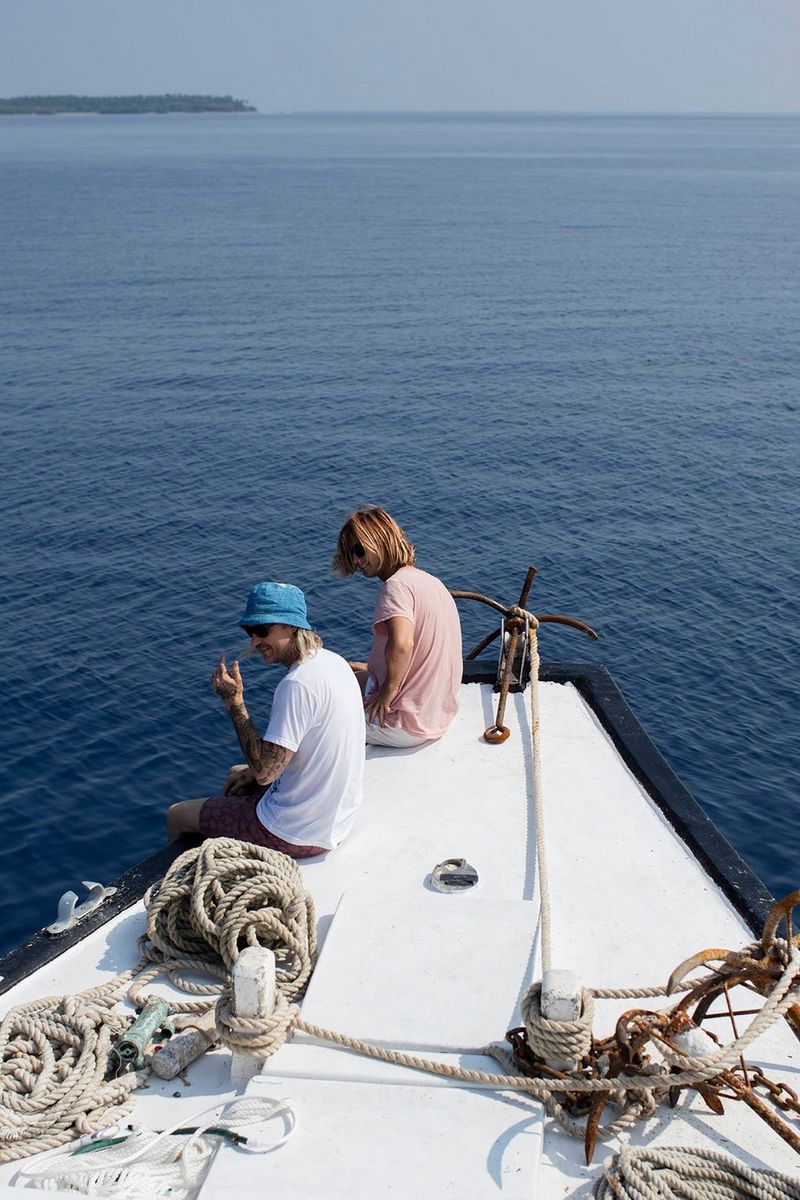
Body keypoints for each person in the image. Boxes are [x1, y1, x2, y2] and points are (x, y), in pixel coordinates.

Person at [166, 581, 364, 858]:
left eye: (262, 631)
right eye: (250, 632)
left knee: (178, 814)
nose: (255, 642)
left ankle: (177, 893)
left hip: (294, 832)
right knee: (239, 774)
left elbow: (266, 771)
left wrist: (234, 703)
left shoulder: (297, 684)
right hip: (335, 821)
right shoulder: (334, 662)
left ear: (292, 626)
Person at [332, 507, 462, 747]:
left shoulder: (395, 587)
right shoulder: (431, 582)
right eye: (351, 556)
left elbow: (402, 645)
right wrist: (374, 668)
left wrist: (388, 691)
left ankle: (260, 776)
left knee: (319, 721)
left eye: (359, 551)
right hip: (435, 713)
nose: (356, 562)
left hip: (405, 723)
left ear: (380, 540)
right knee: (341, 674)